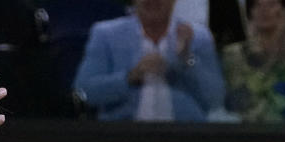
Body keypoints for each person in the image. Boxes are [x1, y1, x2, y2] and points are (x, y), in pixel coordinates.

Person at [74, 0, 226, 119]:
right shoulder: (105, 34)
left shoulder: (197, 37)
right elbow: (83, 92)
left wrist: (187, 59)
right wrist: (130, 77)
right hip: (123, 137)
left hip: (185, 137)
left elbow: (215, 99)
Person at [223, 0, 285, 121]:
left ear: (284, 11)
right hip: (257, 127)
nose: (264, 10)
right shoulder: (235, 53)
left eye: (271, 4)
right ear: (250, 13)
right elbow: (236, 103)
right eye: (257, 5)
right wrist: (268, 63)